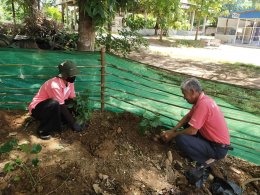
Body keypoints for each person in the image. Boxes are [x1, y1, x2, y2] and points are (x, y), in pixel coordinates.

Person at [161, 78, 231, 164]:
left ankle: (205, 161)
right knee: (187, 124)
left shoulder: (203, 104)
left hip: (217, 149)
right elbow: (188, 117)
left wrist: (173, 135)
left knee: (181, 138)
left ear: (192, 91)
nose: (184, 97)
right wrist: (173, 130)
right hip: (211, 141)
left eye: (184, 94)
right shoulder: (202, 100)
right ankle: (200, 149)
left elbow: (192, 131)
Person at [28, 60, 83, 140]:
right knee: (54, 103)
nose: (73, 77)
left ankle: (59, 121)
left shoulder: (70, 83)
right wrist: (73, 123)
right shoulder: (54, 85)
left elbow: (73, 98)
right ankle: (43, 129)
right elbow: (61, 105)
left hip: (54, 108)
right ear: (64, 75)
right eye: (71, 75)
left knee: (71, 102)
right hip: (39, 109)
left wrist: (79, 117)